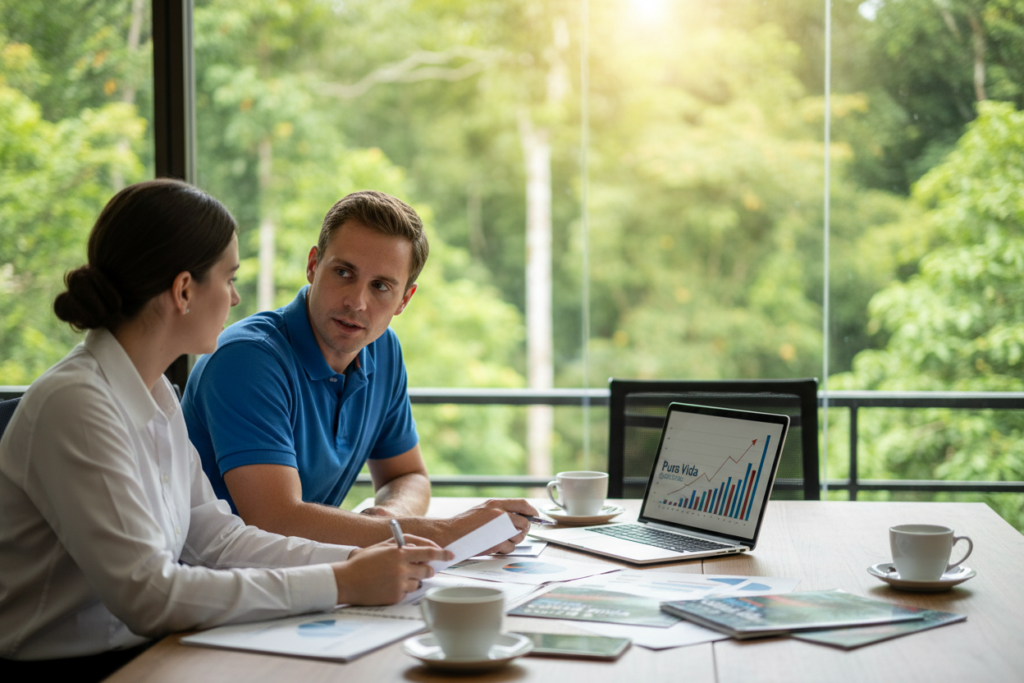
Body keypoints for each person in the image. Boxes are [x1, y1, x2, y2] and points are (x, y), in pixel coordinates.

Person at [0, 180, 450, 677]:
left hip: (154, 649)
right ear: (184, 290)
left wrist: (362, 560)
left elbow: (217, 540)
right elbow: (150, 596)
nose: (236, 298)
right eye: (229, 278)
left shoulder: (155, 394)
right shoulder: (77, 405)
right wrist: (342, 581)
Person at [182, 191, 538, 551]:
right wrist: (445, 532)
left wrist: (388, 519)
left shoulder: (382, 349)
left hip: (307, 578)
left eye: (381, 286)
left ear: (404, 300)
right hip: (221, 584)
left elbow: (408, 475)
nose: (357, 302)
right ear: (312, 266)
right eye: (343, 272)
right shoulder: (248, 358)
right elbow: (276, 521)